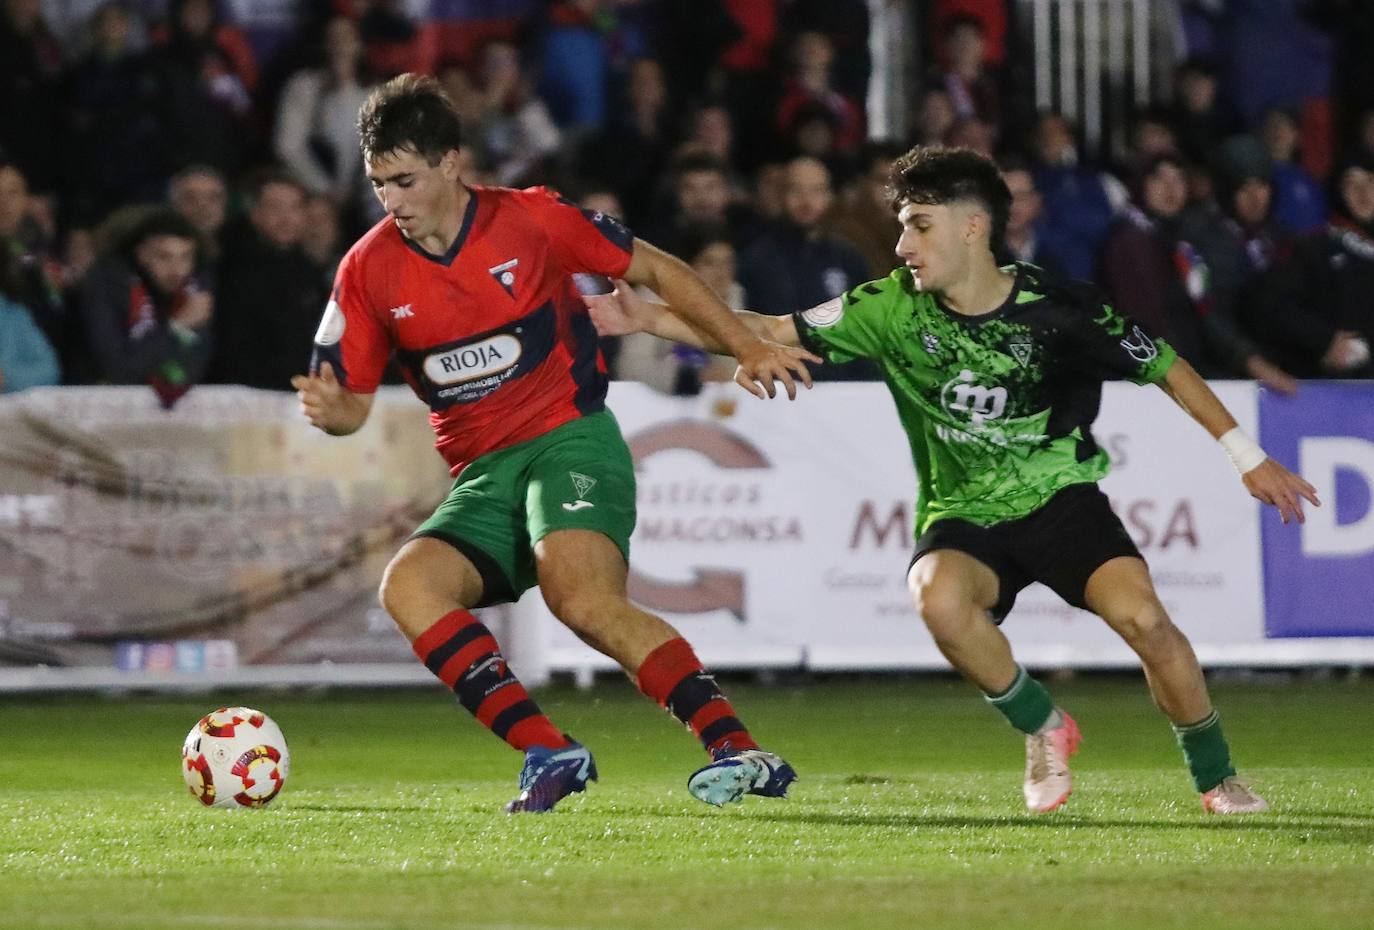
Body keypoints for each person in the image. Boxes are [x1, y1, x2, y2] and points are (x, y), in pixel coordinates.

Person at [586, 145, 1320, 815]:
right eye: (902, 226)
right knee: (936, 599)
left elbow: (1164, 365)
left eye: (920, 226)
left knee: (1148, 624)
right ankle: (1044, 726)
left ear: (974, 228)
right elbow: (769, 331)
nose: (902, 245)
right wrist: (649, 317)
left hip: (1059, 499)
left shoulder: (1062, 309)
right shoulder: (888, 308)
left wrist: (1246, 456)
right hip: (962, 511)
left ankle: (1216, 776)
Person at [291, 74, 808, 814]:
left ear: (450, 163)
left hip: (569, 440)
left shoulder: (531, 220)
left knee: (581, 598)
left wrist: (742, 346)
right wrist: (333, 411)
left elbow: (658, 269)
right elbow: (351, 410)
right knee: (409, 586)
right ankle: (549, 749)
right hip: (481, 478)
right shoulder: (367, 270)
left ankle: (737, 747)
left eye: (404, 180)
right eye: (378, 185)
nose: (392, 201)